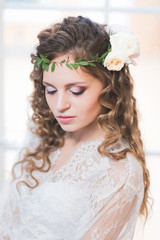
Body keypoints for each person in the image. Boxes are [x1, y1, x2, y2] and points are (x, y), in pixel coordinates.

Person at [0, 16, 150, 240]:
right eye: (50, 90)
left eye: (76, 90)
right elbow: (9, 222)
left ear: (109, 86)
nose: (60, 105)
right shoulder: (40, 133)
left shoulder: (120, 172)